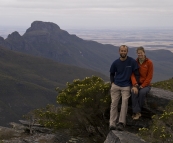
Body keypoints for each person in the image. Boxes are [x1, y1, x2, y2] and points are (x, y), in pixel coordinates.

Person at [109, 45, 139, 131]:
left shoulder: (132, 62)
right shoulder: (115, 63)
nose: (123, 52)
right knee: (114, 104)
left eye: (124, 51)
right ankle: (112, 123)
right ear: (119, 51)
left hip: (126, 86)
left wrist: (135, 85)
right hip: (116, 85)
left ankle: (121, 123)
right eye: (121, 51)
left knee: (124, 103)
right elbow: (112, 73)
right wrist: (112, 83)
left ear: (127, 52)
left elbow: (136, 73)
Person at [131, 46, 153, 120]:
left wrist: (143, 85)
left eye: (141, 53)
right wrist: (135, 84)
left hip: (146, 84)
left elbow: (149, 76)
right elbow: (132, 74)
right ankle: (137, 112)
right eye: (138, 53)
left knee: (142, 93)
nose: (140, 54)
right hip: (137, 83)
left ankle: (137, 111)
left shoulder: (149, 63)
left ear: (144, 53)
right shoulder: (135, 62)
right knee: (134, 92)